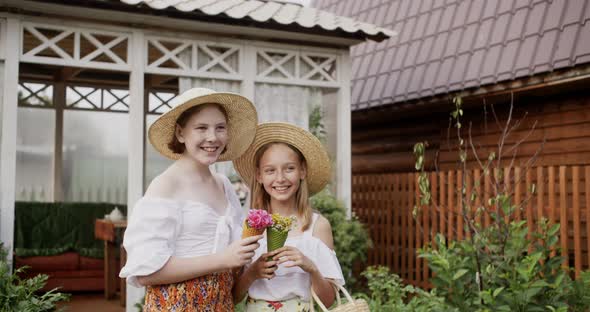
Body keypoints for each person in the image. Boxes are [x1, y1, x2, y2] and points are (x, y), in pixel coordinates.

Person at [119, 88, 261, 311]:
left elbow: (234, 263)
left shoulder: (224, 184)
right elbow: (145, 273)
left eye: (220, 128)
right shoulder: (166, 185)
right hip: (175, 305)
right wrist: (223, 259)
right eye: (201, 128)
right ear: (180, 133)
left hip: (221, 304)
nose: (212, 137)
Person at [232, 122, 345, 312]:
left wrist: (311, 268)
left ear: (303, 171)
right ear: (259, 175)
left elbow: (327, 301)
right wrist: (252, 273)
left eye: (289, 168)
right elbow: (233, 297)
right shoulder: (249, 227)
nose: (280, 178)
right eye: (270, 170)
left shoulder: (317, 227)